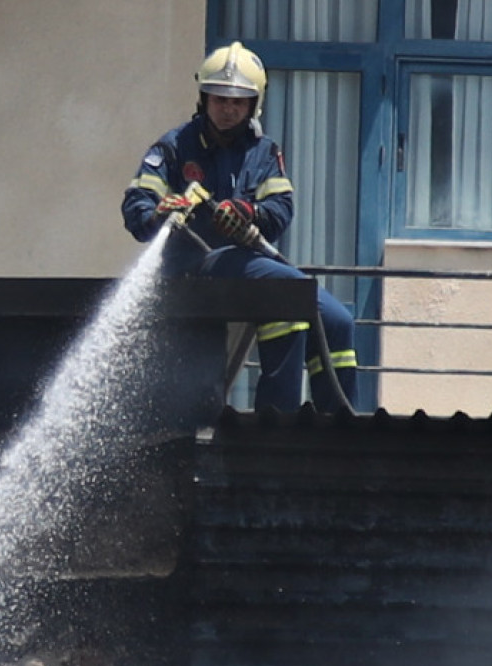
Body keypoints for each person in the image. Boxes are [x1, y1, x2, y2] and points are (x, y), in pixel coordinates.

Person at [121, 41, 359, 414]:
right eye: (220, 99)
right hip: (193, 266)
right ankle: (276, 418)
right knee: (288, 292)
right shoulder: (173, 147)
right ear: (204, 99)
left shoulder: (263, 153)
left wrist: (248, 212)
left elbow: (280, 209)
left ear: (253, 104)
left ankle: (339, 420)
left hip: (246, 261)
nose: (228, 109)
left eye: (238, 101)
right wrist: (161, 213)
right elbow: (137, 206)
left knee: (338, 321)